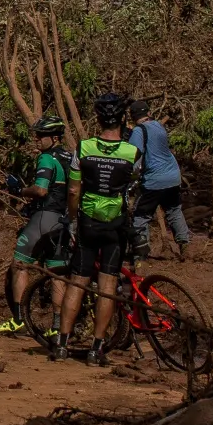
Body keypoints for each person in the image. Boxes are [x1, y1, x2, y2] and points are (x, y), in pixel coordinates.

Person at [54, 95, 141, 367]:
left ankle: (62, 346)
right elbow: (134, 185)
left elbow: (73, 189)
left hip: (87, 223)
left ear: (99, 120)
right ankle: (96, 350)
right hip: (115, 226)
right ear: (123, 121)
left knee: (77, 282)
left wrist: (72, 218)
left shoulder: (84, 148)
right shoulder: (132, 153)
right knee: (107, 285)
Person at [0, 112, 73, 340]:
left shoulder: (47, 158)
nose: (37, 139)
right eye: (37, 135)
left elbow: (40, 190)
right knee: (57, 273)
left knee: (19, 264)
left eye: (42, 135)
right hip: (64, 220)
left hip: (45, 218)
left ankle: (18, 320)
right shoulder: (70, 157)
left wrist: (20, 190)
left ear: (55, 137)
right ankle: (57, 327)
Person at [127, 99, 190, 262]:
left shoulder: (138, 132)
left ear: (132, 117)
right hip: (173, 176)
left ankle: (141, 252)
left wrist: (131, 178)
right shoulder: (158, 126)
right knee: (174, 210)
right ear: (148, 113)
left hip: (155, 180)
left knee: (141, 215)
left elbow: (134, 156)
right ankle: (185, 245)